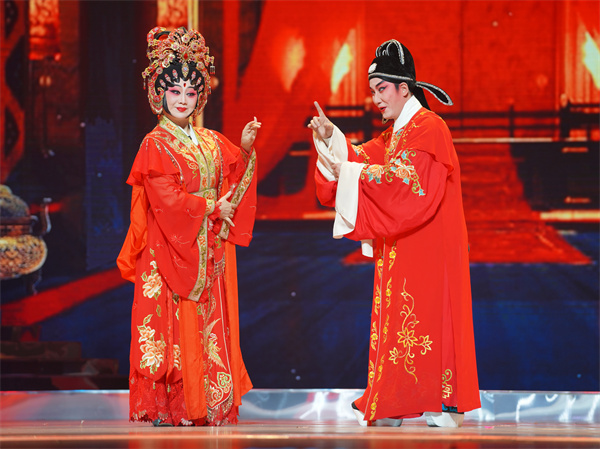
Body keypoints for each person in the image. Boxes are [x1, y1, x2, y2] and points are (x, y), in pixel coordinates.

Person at [308, 39, 480, 427]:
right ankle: (394, 402)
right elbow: (362, 156)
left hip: (431, 243)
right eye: (373, 91)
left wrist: (352, 173)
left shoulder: (429, 128)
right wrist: (331, 137)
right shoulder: (397, 133)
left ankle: (444, 404)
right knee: (401, 321)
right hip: (404, 242)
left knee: (430, 318)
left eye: (382, 89)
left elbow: (407, 184)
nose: (376, 100)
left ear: (404, 88)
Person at [117, 27, 260, 427]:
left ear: (200, 97)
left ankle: (209, 402)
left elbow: (234, 172)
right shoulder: (154, 144)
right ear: (159, 94)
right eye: (174, 91)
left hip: (208, 244)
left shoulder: (211, 140)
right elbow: (165, 198)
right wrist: (212, 206)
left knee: (210, 323)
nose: (182, 99)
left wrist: (246, 147)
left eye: (191, 92)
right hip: (170, 244)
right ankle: (174, 404)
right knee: (174, 322)